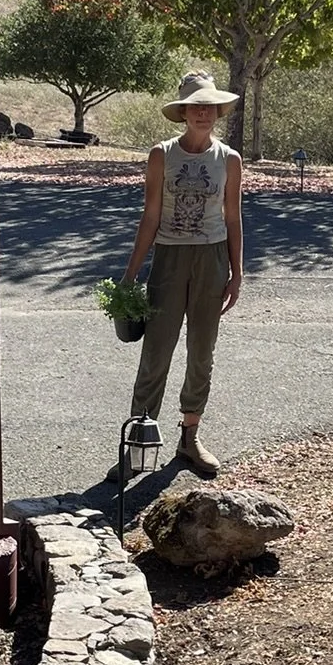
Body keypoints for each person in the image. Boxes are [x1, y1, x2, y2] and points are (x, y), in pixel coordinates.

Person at [120, 69, 244, 478]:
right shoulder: (162, 155)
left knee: (202, 353)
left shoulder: (229, 159)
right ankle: (137, 442)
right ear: (184, 112)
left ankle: (189, 438)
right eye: (195, 106)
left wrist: (237, 273)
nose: (202, 113)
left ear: (216, 112)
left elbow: (232, 217)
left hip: (211, 260)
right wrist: (131, 273)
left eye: (209, 107)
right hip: (170, 259)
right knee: (156, 353)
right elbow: (151, 215)